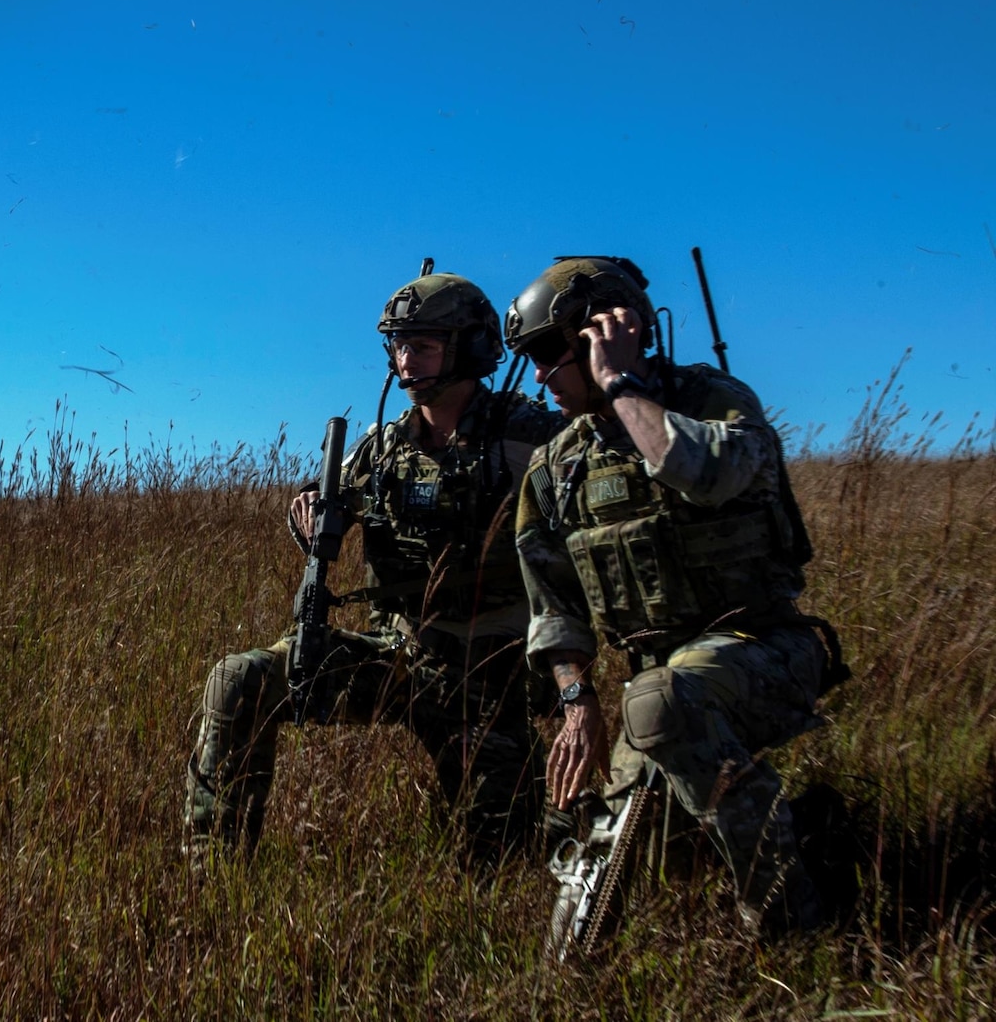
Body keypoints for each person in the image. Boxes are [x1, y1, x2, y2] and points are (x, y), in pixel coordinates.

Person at [506, 255, 843, 939]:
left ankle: (794, 922)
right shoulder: (558, 465)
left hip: (765, 652)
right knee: (591, 901)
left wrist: (621, 383)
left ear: (605, 330)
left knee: (660, 702)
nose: (540, 376)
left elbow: (706, 473)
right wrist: (576, 703)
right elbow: (555, 610)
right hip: (653, 693)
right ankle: (810, 832)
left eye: (549, 352)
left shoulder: (713, 402)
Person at [184, 271, 562, 862]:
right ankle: (212, 871)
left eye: (425, 346)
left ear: (472, 348)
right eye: (399, 346)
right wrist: (307, 512)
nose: (406, 362)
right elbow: (328, 505)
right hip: (400, 654)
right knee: (239, 679)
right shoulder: (383, 445)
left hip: (492, 668)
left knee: (505, 858)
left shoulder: (528, 434)